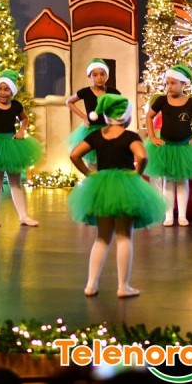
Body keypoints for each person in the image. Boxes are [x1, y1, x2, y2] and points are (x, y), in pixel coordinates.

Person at [68, 94, 166, 297]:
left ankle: (91, 285)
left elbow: (74, 154)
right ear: (126, 116)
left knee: (101, 238)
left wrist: (89, 174)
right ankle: (123, 286)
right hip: (125, 187)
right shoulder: (130, 137)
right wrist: (137, 174)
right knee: (124, 237)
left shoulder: (96, 136)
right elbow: (142, 156)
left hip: (102, 187)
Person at [0, 69, 43, 228]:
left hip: (12, 143)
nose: (3, 93)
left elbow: (24, 119)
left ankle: (23, 216)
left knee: (16, 183)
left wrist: (22, 130)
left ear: (12, 91)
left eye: (7, 89)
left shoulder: (16, 105)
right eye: (0, 89)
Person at [144, 64, 192, 227]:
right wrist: (152, 136)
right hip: (166, 147)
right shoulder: (162, 101)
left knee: (182, 181)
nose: (169, 86)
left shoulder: (191, 102)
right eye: (167, 83)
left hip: (184, 148)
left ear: (183, 84)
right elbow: (149, 116)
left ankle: (182, 215)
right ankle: (169, 216)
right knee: (167, 182)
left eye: (173, 83)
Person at [65, 58, 121, 167]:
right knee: (92, 164)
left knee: (109, 162)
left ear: (107, 76)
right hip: (91, 131)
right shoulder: (85, 92)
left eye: (102, 74)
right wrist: (84, 117)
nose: (99, 77)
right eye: (95, 75)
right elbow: (69, 102)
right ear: (89, 76)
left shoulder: (113, 92)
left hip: (108, 130)